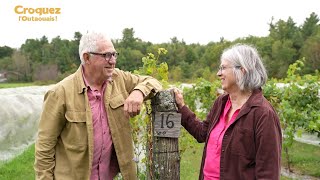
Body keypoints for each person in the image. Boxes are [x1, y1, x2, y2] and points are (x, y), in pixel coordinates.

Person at [34, 31, 162, 180]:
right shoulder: (59, 93)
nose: (113, 60)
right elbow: (44, 148)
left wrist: (138, 92)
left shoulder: (119, 78)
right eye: (106, 55)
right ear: (87, 57)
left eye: (114, 54)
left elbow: (153, 82)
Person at [174, 44, 282, 180]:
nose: (218, 74)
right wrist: (182, 106)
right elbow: (202, 133)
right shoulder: (221, 103)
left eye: (223, 68)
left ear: (242, 70)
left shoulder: (263, 114)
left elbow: (268, 173)